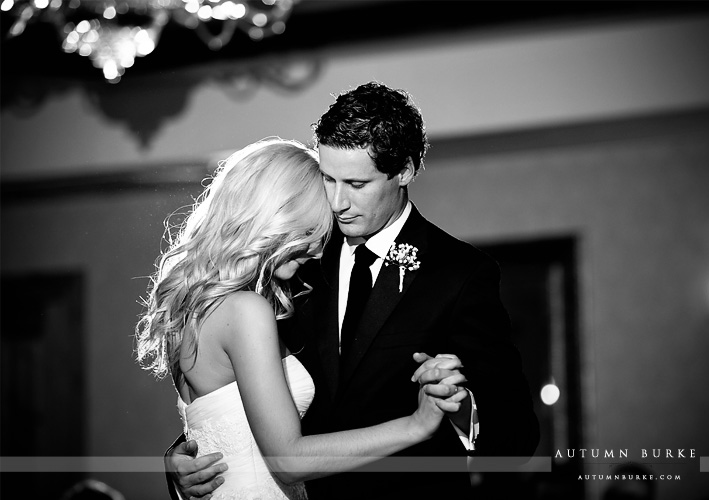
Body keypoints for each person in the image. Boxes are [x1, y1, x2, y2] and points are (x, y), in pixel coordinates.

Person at [169, 82, 540, 499]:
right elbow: (235, 390)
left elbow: (517, 437)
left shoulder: (459, 274)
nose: (338, 202)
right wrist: (186, 457)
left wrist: (458, 403)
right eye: (328, 178)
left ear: (404, 170)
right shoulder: (293, 254)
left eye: (357, 184)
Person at [137, 137, 467, 500]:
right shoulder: (246, 310)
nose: (316, 249)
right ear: (273, 215)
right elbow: (287, 460)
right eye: (309, 231)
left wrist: (174, 460)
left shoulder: (190, 306)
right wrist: (416, 425)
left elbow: (220, 423)